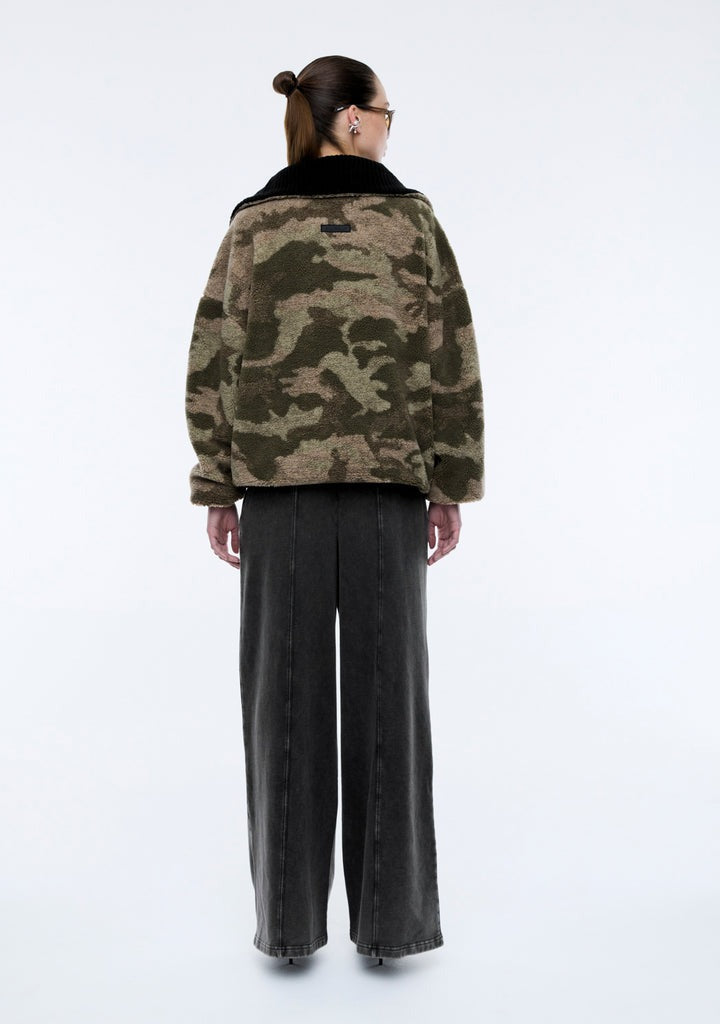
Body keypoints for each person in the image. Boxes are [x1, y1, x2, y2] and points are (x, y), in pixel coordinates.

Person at [184, 55, 485, 966]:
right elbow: (450, 355)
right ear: (352, 119)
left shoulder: (254, 225)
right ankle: (390, 927)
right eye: (386, 112)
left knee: (282, 699)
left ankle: (287, 929)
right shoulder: (413, 221)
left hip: (278, 489)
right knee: (391, 696)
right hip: (390, 485)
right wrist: (450, 480)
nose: (389, 126)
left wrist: (217, 481)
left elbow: (214, 358)